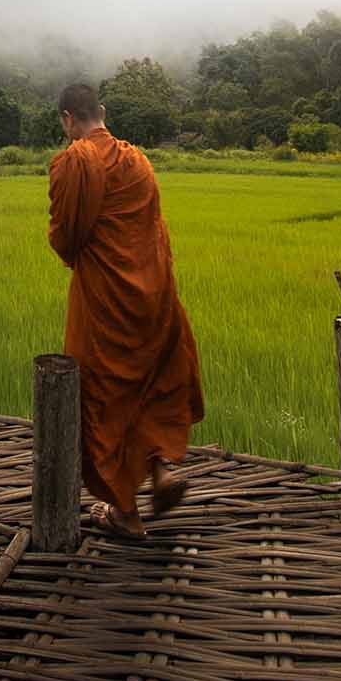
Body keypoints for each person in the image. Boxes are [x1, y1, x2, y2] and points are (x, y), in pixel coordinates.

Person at [47, 80, 204, 537]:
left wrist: (74, 251)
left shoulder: (77, 159)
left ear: (67, 119)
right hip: (152, 296)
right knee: (148, 385)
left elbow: (66, 235)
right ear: (102, 110)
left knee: (102, 395)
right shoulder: (138, 160)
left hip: (104, 301)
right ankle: (160, 471)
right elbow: (153, 231)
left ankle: (126, 514)